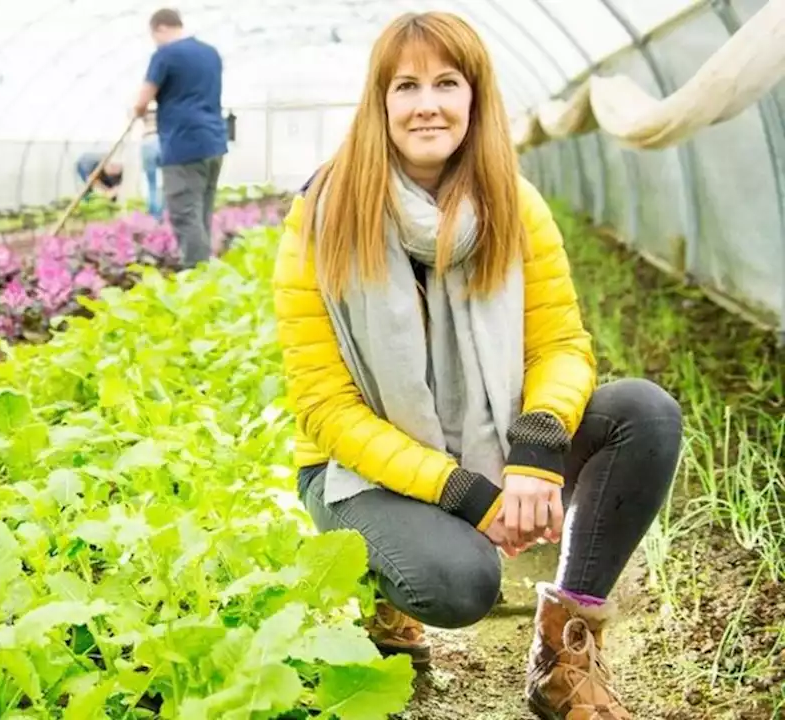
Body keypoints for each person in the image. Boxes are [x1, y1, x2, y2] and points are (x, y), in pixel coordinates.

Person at [271, 11, 682, 720]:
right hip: (357, 471)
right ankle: (383, 589)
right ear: (380, 103)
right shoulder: (320, 221)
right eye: (406, 86)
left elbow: (560, 345)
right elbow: (323, 407)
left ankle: (565, 651)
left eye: (445, 82)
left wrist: (537, 444)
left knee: (642, 415)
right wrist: (466, 493)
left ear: (474, 97)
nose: (426, 102)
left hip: (489, 436)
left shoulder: (514, 206)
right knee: (460, 583)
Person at [133, 8, 228, 269]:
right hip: (214, 143)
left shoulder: (165, 54)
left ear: (160, 29)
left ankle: (197, 278)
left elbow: (142, 100)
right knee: (201, 212)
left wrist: (138, 112)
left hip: (184, 144)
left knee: (184, 213)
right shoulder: (210, 53)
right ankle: (206, 274)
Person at [140, 109, 164, 221]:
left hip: (147, 141)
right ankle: (164, 213)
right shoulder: (164, 101)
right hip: (161, 140)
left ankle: (155, 216)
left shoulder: (144, 99)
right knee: (167, 181)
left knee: (151, 184)